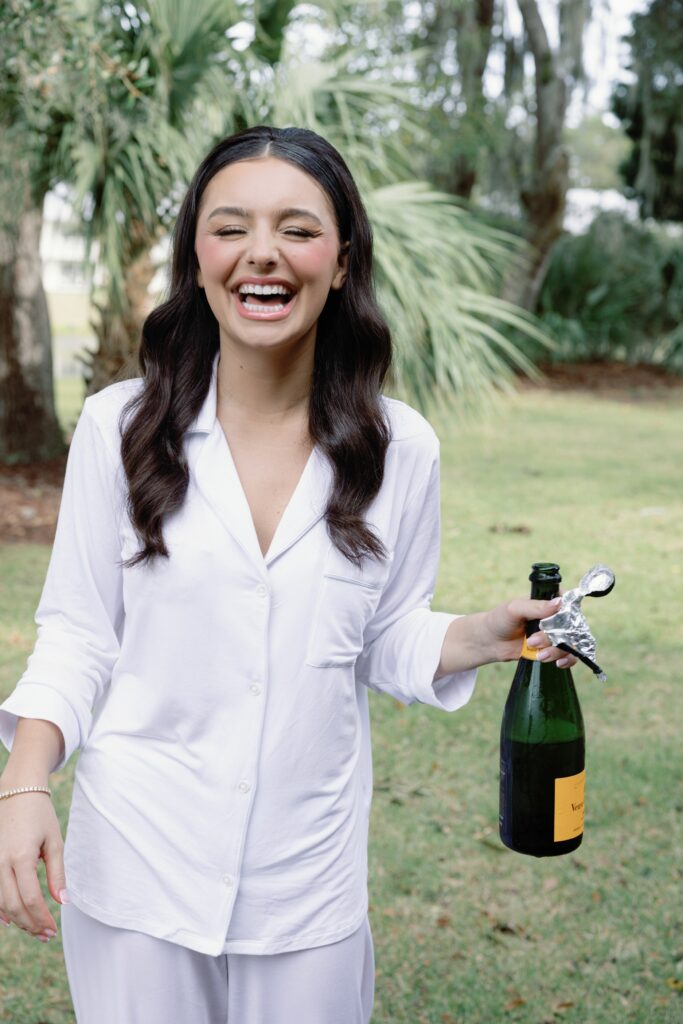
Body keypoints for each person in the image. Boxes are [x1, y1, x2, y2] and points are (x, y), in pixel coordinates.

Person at [0, 125, 576, 1024]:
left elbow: (379, 634)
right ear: (196, 254)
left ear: (342, 260)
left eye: (297, 230)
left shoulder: (401, 449)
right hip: (137, 873)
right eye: (230, 227)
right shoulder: (119, 429)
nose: (261, 253)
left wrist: (478, 636)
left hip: (304, 886)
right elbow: (79, 635)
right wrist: (25, 783)